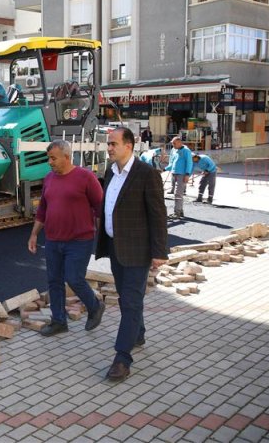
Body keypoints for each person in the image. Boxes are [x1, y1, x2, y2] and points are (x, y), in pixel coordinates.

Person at [96, 127, 168, 382]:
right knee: (128, 298)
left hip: (138, 250)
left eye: (114, 143)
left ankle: (122, 358)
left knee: (131, 301)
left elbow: (158, 216)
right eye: (109, 144)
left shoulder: (147, 175)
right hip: (116, 248)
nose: (110, 147)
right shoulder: (110, 172)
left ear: (129, 145)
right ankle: (138, 333)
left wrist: (160, 253)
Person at [27, 140, 105, 337]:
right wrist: (34, 234)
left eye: (53, 158)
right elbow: (43, 209)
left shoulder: (85, 177)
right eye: (48, 159)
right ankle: (59, 321)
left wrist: (103, 236)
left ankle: (95, 305)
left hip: (80, 240)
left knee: (74, 278)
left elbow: (100, 207)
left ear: (66, 157)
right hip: (53, 240)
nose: (50, 162)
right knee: (54, 281)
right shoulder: (49, 179)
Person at [165, 137, 192, 218]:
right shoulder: (174, 150)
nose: (173, 145)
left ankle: (177, 213)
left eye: (174, 143)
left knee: (178, 194)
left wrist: (187, 174)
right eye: (172, 143)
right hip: (174, 173)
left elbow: (189, 163)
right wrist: (164, 169)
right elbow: (171, 163)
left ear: (180, 142)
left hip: (182, 174)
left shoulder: (186, 151)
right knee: (177, 194)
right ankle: (180, 211)